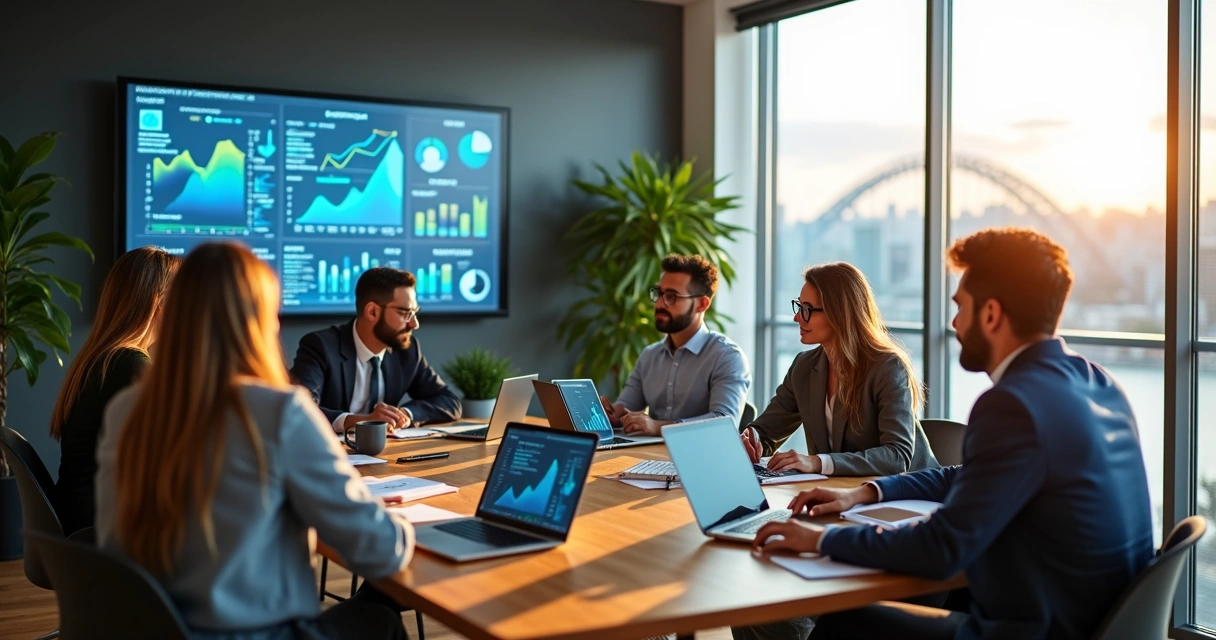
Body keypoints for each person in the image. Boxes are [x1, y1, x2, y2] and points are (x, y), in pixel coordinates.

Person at [752, 228, 1155, 640]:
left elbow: (942, 548)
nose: (954, 322)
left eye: (960, 307)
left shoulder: (1012, 404)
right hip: (1092, 619)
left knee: (844, 622)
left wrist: (823, 542)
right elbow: (963, 474)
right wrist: (868, 492)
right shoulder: (1097, 381)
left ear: (992, 314)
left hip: (1035, 629)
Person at [95, 242, 412, 639]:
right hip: (255, 634)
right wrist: (390, 520)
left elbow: (116, 542)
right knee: (382, 619)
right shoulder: (280, 412)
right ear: (259, 320)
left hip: (152, 628)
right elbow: (382, 551)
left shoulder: (127, 408)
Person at [740, 262, 938, 477]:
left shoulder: (887, 367)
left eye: (807, 310)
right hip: (842, 494)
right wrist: (753, 439)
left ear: (839, 314)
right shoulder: (804, 366)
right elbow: (768, 429)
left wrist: (818, 462)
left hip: (910, 496)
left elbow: (897, 457)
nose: (797, 317)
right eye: (799, 306)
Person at [50, 246, 179, 536]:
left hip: (79, 517)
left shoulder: (101, 358)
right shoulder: (129, 363)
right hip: (102, 525)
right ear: (158, 302)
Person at [290, 266, 461, 433]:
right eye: (405, 313)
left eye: (415, 312)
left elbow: (449, 401)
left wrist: (405, 414)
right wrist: (362, 422)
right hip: (328, 453)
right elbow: (300, 407)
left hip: (386, 455)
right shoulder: (320, 346)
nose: (414, 323)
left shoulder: (407, 351)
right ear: (372, 312)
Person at [600, 254, 751, 436]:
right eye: (659, 293)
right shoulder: (650, 355)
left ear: (701, 304)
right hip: (650, 458)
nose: (660, 304)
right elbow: (624, 409)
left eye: (672, 296)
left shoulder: (727, 356)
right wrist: (608, 415)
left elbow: (724, 423)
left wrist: (657, 427)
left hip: (702, 459)